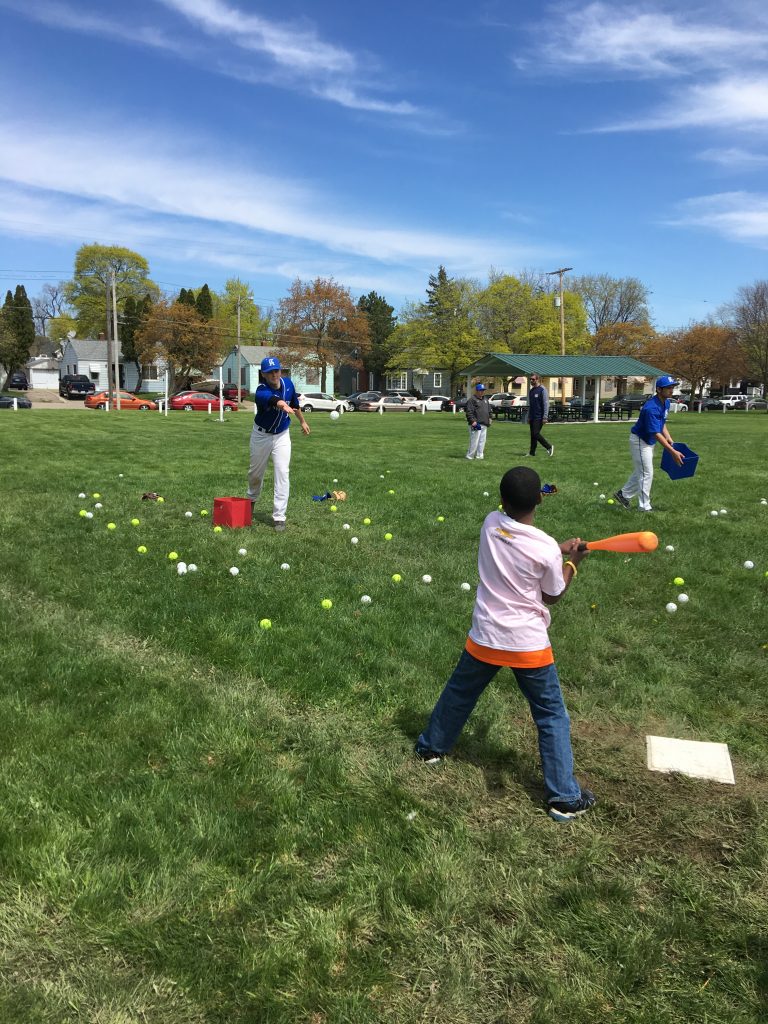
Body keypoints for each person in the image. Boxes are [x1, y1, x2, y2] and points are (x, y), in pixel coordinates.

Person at [415, 466, 596, 822]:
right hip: (526, 644)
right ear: (541, 499)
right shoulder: (544, 547)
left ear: (501, 500)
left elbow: (522, 546)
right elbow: (552, 594)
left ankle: (430, 747)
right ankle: (563, 797)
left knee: (459, 694)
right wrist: (571, 563)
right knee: (550, 715)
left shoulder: (491, 522)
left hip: (486, 636)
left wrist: (556, 550)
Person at [247, 355, 310, 531]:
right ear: (264, 375)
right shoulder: (261, 390)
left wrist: (303, 422)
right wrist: (283, 406)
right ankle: (251, 500)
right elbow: (276, 401)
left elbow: (295, 405)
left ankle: (279, 517)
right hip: (261, 436)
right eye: (270, 372)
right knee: (255, 474)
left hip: (282, 434)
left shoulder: (288, 384)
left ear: (280, 371)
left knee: (282, 472)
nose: (274, 375)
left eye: (276, 371)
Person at [613, 374, 684, 513]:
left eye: (672, 387)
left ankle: (623, 495)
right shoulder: (650, 407)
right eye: (668, 388)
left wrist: (669, 438)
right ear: (659, 389)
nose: (671, 390)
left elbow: (661, 423)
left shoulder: (666, 402)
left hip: (648, 441)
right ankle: (644, 507)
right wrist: (672, 451)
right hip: (640, 441)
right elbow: (655, 433)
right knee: (647, 473)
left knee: (642, 471)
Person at [527, 373, 554, 457]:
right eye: (530, 379)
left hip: (539, 417)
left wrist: (545, 417)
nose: (531, 381)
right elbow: (531, 405)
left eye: (533, 379)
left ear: (538, 379)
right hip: (532, 417)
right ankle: (532, 452)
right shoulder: (531, 391)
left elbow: (546, 404)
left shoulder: (542, 390)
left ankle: (549, 447)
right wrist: (528, 416)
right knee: (533, 435)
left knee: (535, 433)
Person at [465, 382, 491, 460]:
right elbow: (469, 412)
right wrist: (473, 421)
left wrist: (490, 418)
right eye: (480, 390)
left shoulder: (485, 399)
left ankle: (480, 455)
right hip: (476, 423)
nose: (482, 391)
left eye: (483, 390)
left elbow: (489, 410)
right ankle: (470, 456)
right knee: (474, 441)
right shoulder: (472, 400)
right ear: (477, 391)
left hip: (484, 423)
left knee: (482, 441)